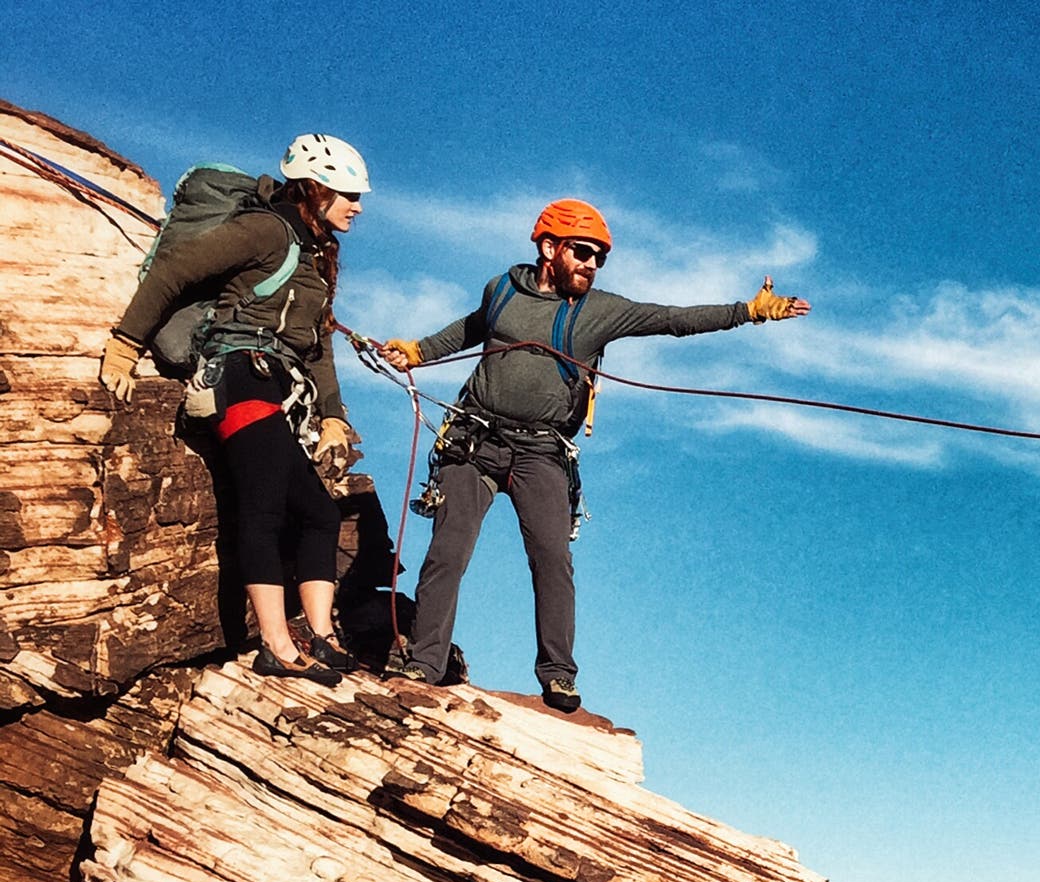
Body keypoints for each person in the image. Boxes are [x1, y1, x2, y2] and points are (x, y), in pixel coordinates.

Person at [379, 199, 807, 712]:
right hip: (476, 440)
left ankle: (558, 675)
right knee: (448, 553)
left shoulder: (598, 310)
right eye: (582, 253)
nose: (592, 264)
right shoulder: (500, 289)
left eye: (599, 257)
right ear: (548, 248)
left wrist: (749, 312)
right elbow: (473, 328)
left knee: (553, 561)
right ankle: (425, 662)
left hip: (541, 452)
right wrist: (419, 350)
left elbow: (671, 319)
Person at [102, 134, 370, 685]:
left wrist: (334, 415)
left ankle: (319, 637)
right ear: (316, 189)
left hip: (276, 384)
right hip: (240, 376)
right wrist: (125, 343)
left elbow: (316, 345)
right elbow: (177, 268)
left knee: (320, 514)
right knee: (264, 508)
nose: (357, 206)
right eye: (348, 193)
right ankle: (275, 645)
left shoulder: (316, 257)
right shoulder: (265, 230)